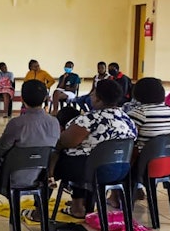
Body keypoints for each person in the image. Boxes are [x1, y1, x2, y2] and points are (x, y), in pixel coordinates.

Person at [52, 79, 137, 219]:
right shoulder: (128, 119)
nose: (90, 97)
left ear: (98, 98)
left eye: (92, 94)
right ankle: (81, 206)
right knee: (88, 155)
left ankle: (44, 211)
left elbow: (65, 141)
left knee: (60, 160)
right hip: (120, 170)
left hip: (91, 172)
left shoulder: (90, 118)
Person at [0, 80, 60, 222]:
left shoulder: (17, 123)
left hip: (12, 178)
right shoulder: (54, 122)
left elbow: (0, 149)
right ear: (45, 99)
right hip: (42, 176)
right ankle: (40, 209)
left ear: (22, 98)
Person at [113, 78, 170, 207]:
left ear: (137, 93)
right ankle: (137, 189)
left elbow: (126, 139)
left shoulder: (139, 113)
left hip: (144, 166)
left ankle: (117, 198)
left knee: (119, 155)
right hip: (169, 162)